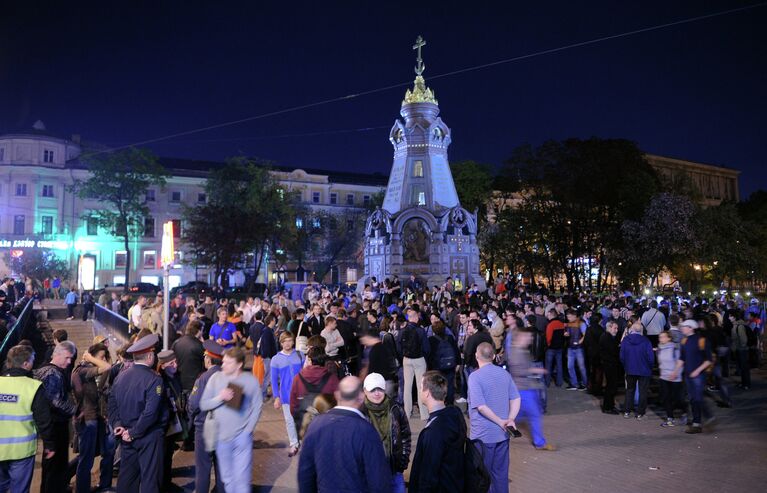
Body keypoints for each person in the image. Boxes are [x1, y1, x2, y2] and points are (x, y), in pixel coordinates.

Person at [297, 376, 391, 492]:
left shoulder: (315, 425)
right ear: (361, 397)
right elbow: (378, 482)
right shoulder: (366, 431)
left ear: (337, 395)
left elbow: (305, 474)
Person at [107, 333, 168, 493]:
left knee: (127, 478)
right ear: (149, 356)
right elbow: (150, 413)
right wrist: (134, 432)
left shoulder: (121, 376)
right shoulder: (154, 379)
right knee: (150, 479)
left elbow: (112, 404)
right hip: (148, 436)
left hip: (126, 435)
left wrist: (118, 425)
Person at [199, 347, 262, 493]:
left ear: (239, 364)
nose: (223, 365)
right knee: (227, 480)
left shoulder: (250, 380)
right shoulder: (216, 378)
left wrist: (248, 430)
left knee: (242, 481)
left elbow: (257, 406)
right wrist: (220, 397)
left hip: (242, 438)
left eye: (228, 363)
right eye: (223, 362)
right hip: (221, 438)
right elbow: (204, 404)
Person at [0, 345, 55, 493]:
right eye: (32, 360)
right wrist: (49, 444)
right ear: (26, 364)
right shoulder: (33, 387)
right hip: (21, 451)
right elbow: (43, 420)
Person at [468, 342, 521, 493]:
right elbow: (516, 398)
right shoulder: (504, 373)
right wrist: (510, 419)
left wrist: (501, 421)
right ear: (493, 356)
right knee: (501, 475)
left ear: (477, 356)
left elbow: (481, 406)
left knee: (483, 477)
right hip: (503, 435)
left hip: (483, 436)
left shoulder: (474, 377)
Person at [408, 371, 465, 492]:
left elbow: (428, 475)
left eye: (420, 387)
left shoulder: (434, 432)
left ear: (427, 393)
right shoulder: (455, 415)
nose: (419, 391)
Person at [71, 343, 114, 493]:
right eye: (101, 357)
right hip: (87, 418)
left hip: (96, 417)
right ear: (92, 356)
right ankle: (82, 489)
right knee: (86, 458)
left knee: (92, 455)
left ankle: (99, 485)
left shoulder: (87, 370)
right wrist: (89, 357)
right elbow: (107, 367)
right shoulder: (83, 370)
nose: (104, 359)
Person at [35, 340, 77, 493]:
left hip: (49, 425)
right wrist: (75, 410)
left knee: (51, 466)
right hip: (55, 425)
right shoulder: (53, 373)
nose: (69, 361)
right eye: (67, 357)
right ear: (57, 354)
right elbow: (55, 401)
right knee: (55, 466)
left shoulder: (43, 370)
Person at [187, 340, 226, 493]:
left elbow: (193, 405)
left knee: (203, 468)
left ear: (208, 359)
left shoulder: (202, 379)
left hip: (204, 428)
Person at [362, 373, 411, 493]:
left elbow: (405, 436)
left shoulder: (396, 408)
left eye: (379, 389)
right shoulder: (360, 413)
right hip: (370, 474)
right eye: (372, 390)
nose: (377, 393)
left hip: (394, 470)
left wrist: (402, 462)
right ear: (365, 391)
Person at [508, 328, 555, 450]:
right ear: (520, 338)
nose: (530, 339)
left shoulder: (520, 351)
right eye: (528, 337)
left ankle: (503, 429)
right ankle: (539, 443)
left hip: (525, 389)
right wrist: (535, 370)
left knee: (520, 415)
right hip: (523, 390)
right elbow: (518, 371)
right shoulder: (516, 352)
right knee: (534, 415)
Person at [670, 320, 713, 434]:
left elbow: (709, 360)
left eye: (684, 327)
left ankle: (697, 423)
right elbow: (682, 358)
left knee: (696, 399)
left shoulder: (701, 340)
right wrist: (675, 371)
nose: (682, 328)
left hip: (698, 375)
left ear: (691, 328)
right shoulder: (684, 341)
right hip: (688, 375)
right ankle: (701, 420)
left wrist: (697, 371)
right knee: (694, 399)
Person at [157, 350, 187, 492]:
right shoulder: (160, 381)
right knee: (162, 457)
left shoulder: (176, 376)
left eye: (175, 361)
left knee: (168, 454)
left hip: (174, 422)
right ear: (162, 366)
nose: (175, 365)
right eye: (171, 363)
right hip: (164, 425)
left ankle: (167, 482)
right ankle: (162, 485)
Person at [270, 332, 304, 457]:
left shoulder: (300, 355)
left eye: (290, 340)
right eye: (285, 341)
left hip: (301, 393)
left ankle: (301, 441)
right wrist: (276, 397)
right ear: (281, 342)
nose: (288, 343)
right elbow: (273, 380)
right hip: (285, 395)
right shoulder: (276, 359)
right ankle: (294, 443)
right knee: (289, 421)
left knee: (301, 419)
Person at [290, 347, 340, 431]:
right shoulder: (332, 378)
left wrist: (297, 419)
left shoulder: (298, 378)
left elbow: (293, 403)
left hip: (305, 423)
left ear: (309, 359)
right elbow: (339, 400)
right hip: (326, 423)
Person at [397, 308, 430, 420]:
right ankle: (423, 414)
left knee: (407, 386)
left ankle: (407, 412)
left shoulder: (402, 330)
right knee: (420, 386)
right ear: (415, 318)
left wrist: (403, 356)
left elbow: (398, 346)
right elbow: (426, 348)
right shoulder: (421, 331)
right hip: (419, 359)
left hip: (406, 360)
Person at [619, 321, 653, 420]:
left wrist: (626, 366)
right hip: (644, 370)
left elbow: (622, 356)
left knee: (630, 390)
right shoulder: (646, 341)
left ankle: (627, 411)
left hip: (630, 369)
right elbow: (650, 358)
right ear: (641, 330)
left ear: (631, 330)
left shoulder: (625, 340)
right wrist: (650, 367)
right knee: (643, 392)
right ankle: (640, 413)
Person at [656, 331, 686, 427]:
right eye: (660, 337)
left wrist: (675, 373)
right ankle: (670, 419)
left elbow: (680, 362)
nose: (661, 339)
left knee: (677, 399)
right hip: (664, 377)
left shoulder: (675, 348)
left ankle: (685, 413)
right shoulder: (659, 349)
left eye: (663, 337)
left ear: (669, 338)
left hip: (675, 377)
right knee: (666, 398)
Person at [599, 321, 621, 414]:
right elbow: (612, 351)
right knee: (610, 386)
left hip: (609, 364)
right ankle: (608, 407)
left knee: (611, 386)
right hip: (609, 365)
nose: (616, 330)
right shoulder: (607, 338)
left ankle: (610, 405)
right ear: (609, 327)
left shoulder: (607, 336)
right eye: (615, 328)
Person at [564, 309, 588, 390]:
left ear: (574, 316)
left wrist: (579, 342)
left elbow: (585, 335)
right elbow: (569, 333)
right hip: (570, 347)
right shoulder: (569, 324)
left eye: (569, 317)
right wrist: (567, 334)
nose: (568, 318)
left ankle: (585, 384)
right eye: (567, 317)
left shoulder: (581, 323)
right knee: (570, 366)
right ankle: (574, 384)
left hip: (579, 348)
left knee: (581, 367)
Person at [544, 309, 566, 387]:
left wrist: (548, 345)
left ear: (552, 315)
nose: (547, 316)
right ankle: (559, 382)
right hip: (559, 348)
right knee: (559, 365)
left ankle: (547, 383)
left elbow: (548, 337)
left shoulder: (550, 324)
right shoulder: (561, 324)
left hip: (551, 348)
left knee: (548, 366)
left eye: (548, 315)